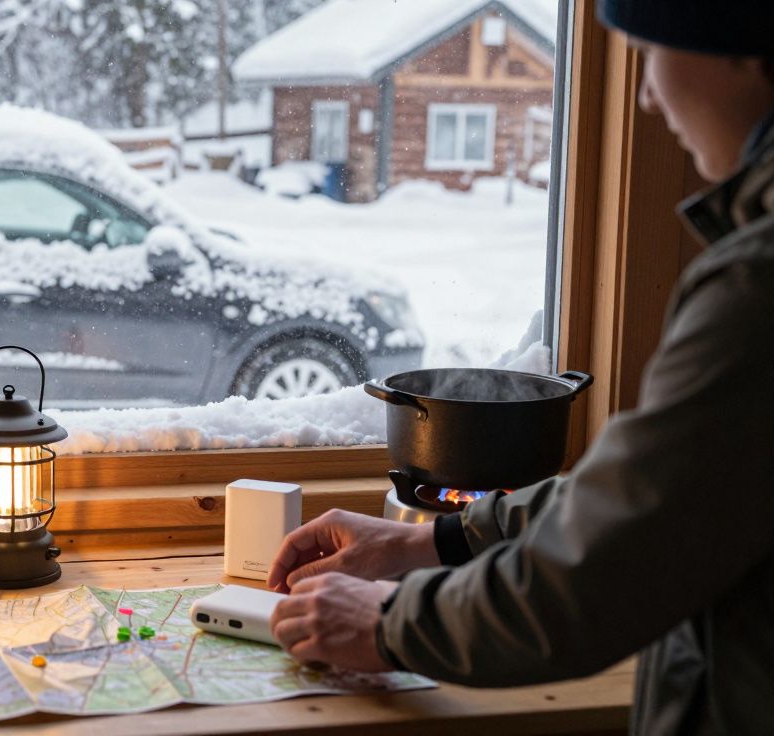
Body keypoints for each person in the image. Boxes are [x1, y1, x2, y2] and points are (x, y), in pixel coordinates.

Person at [267, 2, 774, 733]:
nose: (646, 95)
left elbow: (610, 568)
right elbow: (657, 497)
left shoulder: (757, 287)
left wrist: (391, 622)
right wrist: (438, 539)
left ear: (746, 50)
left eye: (650, 50)